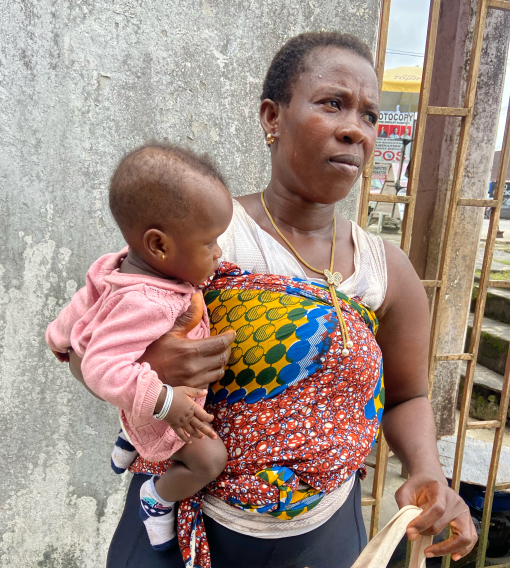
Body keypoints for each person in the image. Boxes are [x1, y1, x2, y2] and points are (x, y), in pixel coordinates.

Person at [69, 31, 478, 568]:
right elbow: (81, 346)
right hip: (187, 520)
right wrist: (151, 365)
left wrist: (427, 469)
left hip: (322, 534)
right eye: (333, 103)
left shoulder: (386, 271)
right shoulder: (200, 239)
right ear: (272, 117)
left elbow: (407, 397)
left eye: (370, 116)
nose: (355, 129)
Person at [46, 144, 231, 551]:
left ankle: (128, 437)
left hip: (147, 400)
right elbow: (101, 369)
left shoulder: (117, 265)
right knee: (209, 460)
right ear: (160, 246)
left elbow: (84, 306)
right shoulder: (147, 302)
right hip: (165, 410)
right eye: (210, 243)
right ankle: (158, 497)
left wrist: (59, 338)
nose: (219, 252)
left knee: (135, 401)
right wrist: (168, 404)